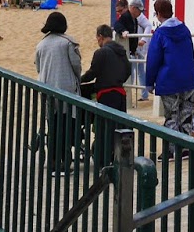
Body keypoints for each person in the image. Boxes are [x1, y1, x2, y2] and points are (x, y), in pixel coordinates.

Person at [144, 0, 194, 155]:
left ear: (158, 14)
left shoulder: (160, 34)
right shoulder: (185, 29)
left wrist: (149, 82)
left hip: (169, 80)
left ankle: (172, 149)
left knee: (172, 115)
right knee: (186, 113)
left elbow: (153, 59)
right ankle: (187, 146)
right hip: (188, 79)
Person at [34, 10, 82, 174]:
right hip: (66, 89)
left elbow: (38, 67)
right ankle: (64, 161)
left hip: (47, 89)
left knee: (52, 125)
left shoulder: (41, 44)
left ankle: (52, 160)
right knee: (66, 127)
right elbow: (76, 66)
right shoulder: (68, 42)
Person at [80, 23, 129, 166]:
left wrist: (80, 80)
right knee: (119, 127)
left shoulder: (101, 53)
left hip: (106, 94)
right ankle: (120, 156)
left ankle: (103, 160)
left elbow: (93, 73)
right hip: (120, 93)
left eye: (97, 38)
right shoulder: (122, 51)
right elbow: (128, 71)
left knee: (104, 128)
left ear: (100, 36)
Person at [130, 0, 154, 101]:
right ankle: (144, 94)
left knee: (134, 70)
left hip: (138, 48)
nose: (140, 12)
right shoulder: (132, 16)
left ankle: (142, 94)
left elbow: (148, 25)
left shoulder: (140, 17)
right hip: (137, 47)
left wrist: (143, 40)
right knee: (139, 71)